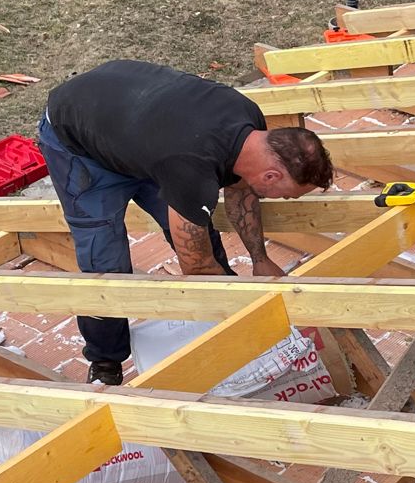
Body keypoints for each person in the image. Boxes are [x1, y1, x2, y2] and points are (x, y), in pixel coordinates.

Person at [37, 59, 333, 383]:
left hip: (142, 132)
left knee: (198, 228)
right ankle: (106, 360)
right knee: (104, 262)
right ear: (272, 175)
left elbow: (241, 190)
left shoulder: (252, 127)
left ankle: (224, 310)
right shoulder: (191, 168)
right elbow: (198, 266)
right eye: (286, 195)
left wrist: (259, 259)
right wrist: (247, 313)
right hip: (79, 141)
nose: (283, 200)